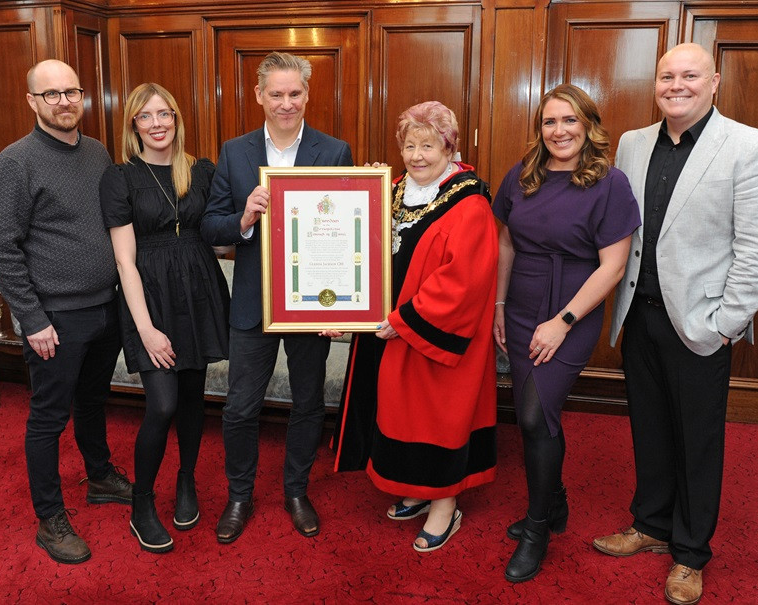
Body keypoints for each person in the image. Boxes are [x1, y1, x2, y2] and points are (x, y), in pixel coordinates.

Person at [593, 43, 758, 605]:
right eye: (667, 76)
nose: (677, 85)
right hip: (640, 316)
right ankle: (650, 524)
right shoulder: (632, 143)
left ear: (715, 81)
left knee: (697, 441)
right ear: (655, 83)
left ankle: (690, 553)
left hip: (700, 324)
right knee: (649, 430)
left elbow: (757, 249)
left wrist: (726, 324)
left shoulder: (749, 146)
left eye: (690, 75)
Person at [0, 59, 132, 565]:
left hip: (104, 308)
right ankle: (50, 519)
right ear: (32, 102)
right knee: (48, 420)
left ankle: (101, 478)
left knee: (92, 403)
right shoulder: (13, 163)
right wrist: (32, 318)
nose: (65, 101)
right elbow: (2, 250)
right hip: (54, 319)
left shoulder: (95, 152)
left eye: (72, 91)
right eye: (52, 94)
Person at [200, 51, 353, 543]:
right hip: (252, 302)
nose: (286, 103)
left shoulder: (335, 151)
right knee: (240, 407)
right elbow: (210, 224)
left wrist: (348, 303)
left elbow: (348, 232)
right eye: (276, 94)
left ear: (307, 94)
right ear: (259, 96)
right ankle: (239, 495)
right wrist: (243, 218)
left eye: (294, 94)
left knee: (308, 402)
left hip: (312, 302)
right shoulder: (235, 151)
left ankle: (295, 490)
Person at [332, 101, 498, 553]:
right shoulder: (392, 190)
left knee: (438, 417)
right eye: (409, 145)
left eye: (429, 145)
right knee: (400, 410)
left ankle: (444, 502)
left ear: (450, 147)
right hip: (390, 333)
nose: (418, 155)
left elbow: (461, 283)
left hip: (435, 337)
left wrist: (400, 321)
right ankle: (417, 489)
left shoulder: (470, 204)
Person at [493, 84, 641, 582]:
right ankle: (553, 504)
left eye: (569, 121)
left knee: (535, 414)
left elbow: (613, 267)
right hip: (520, 304)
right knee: (531, 411)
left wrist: (563, 322)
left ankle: (538, 528)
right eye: (550, 122)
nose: (559, 131)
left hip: (573, 305)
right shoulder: (523, 176)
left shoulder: (610, 183)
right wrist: (497, 304)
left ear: (588, 125)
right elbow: (507, 244)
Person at [99, 83, 231, 553]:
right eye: (145, 116)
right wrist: (146, 328)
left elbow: (222, 231)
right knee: (163, 403)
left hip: (198, 291)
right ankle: (141, 504)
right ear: (133, 124)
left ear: (176, 118)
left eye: (165, 114)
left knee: (194, 396)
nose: (157, 124)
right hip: (149, 298)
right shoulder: (120, 178)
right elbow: (124, 262)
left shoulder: (201, 170)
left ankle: (187, 480)